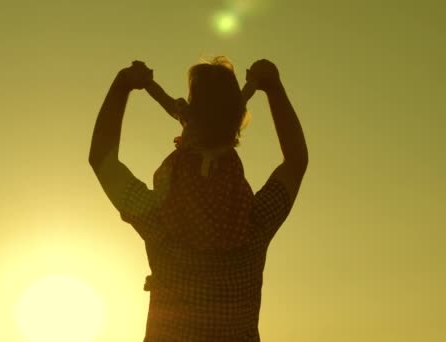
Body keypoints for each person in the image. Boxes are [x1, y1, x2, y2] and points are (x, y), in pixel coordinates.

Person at [89, 57, 308, 341]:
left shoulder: (159, 221)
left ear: (189, 119)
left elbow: (103, 160)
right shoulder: (254, 226)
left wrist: (122, 85)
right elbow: (295, 162)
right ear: (235, 123)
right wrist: (274, 87)